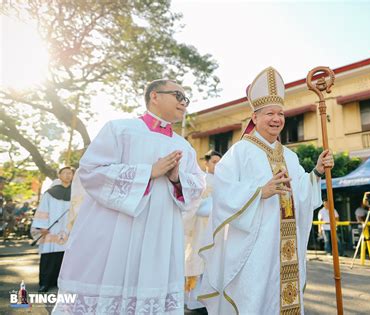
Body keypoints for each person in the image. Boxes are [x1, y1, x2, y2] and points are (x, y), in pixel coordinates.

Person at [53, 79, 206, 314]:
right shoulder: (119, 129)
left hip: (160, 237)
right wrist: (147, 173)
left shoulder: (184, 146)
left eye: (186, 99)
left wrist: (177, 179)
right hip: (117, 235)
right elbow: (91, 172)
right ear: (154, 96)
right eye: (178, 96)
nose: (184, 103)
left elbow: (197, 188)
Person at [198, 67, 334, 314]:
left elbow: (301, 191)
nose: (276, 119)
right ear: (254, 117)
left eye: (280, 113)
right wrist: (260, 192)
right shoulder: (240, 152)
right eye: (270, 113)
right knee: (255, 299)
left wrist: (315, 172)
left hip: (285, 245)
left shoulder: (291, 157)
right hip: (255, 247)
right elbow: (223, 191)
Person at [184, 150, 221, 312]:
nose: (217, 165)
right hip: (200, 225)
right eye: (214, 162)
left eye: (219, 162)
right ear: (206, 163)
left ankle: (210, 297)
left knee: (214, 261)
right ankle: (194, 299)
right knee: (198, 258)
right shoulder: (201, 180)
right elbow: (194, 202)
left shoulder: (223, 180)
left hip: (217, 226)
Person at [31, 166, 74, 292]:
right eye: (64, 173)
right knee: (48, 257)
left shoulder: (76, 194)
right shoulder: (50, 193)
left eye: (70, 173)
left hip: (68, 230)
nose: (67, 175)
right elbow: (43, 209)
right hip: (51, 230)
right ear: (59, 176)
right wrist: (41, 227)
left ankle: (58, 282)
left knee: (63, 257)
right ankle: (44, 283)